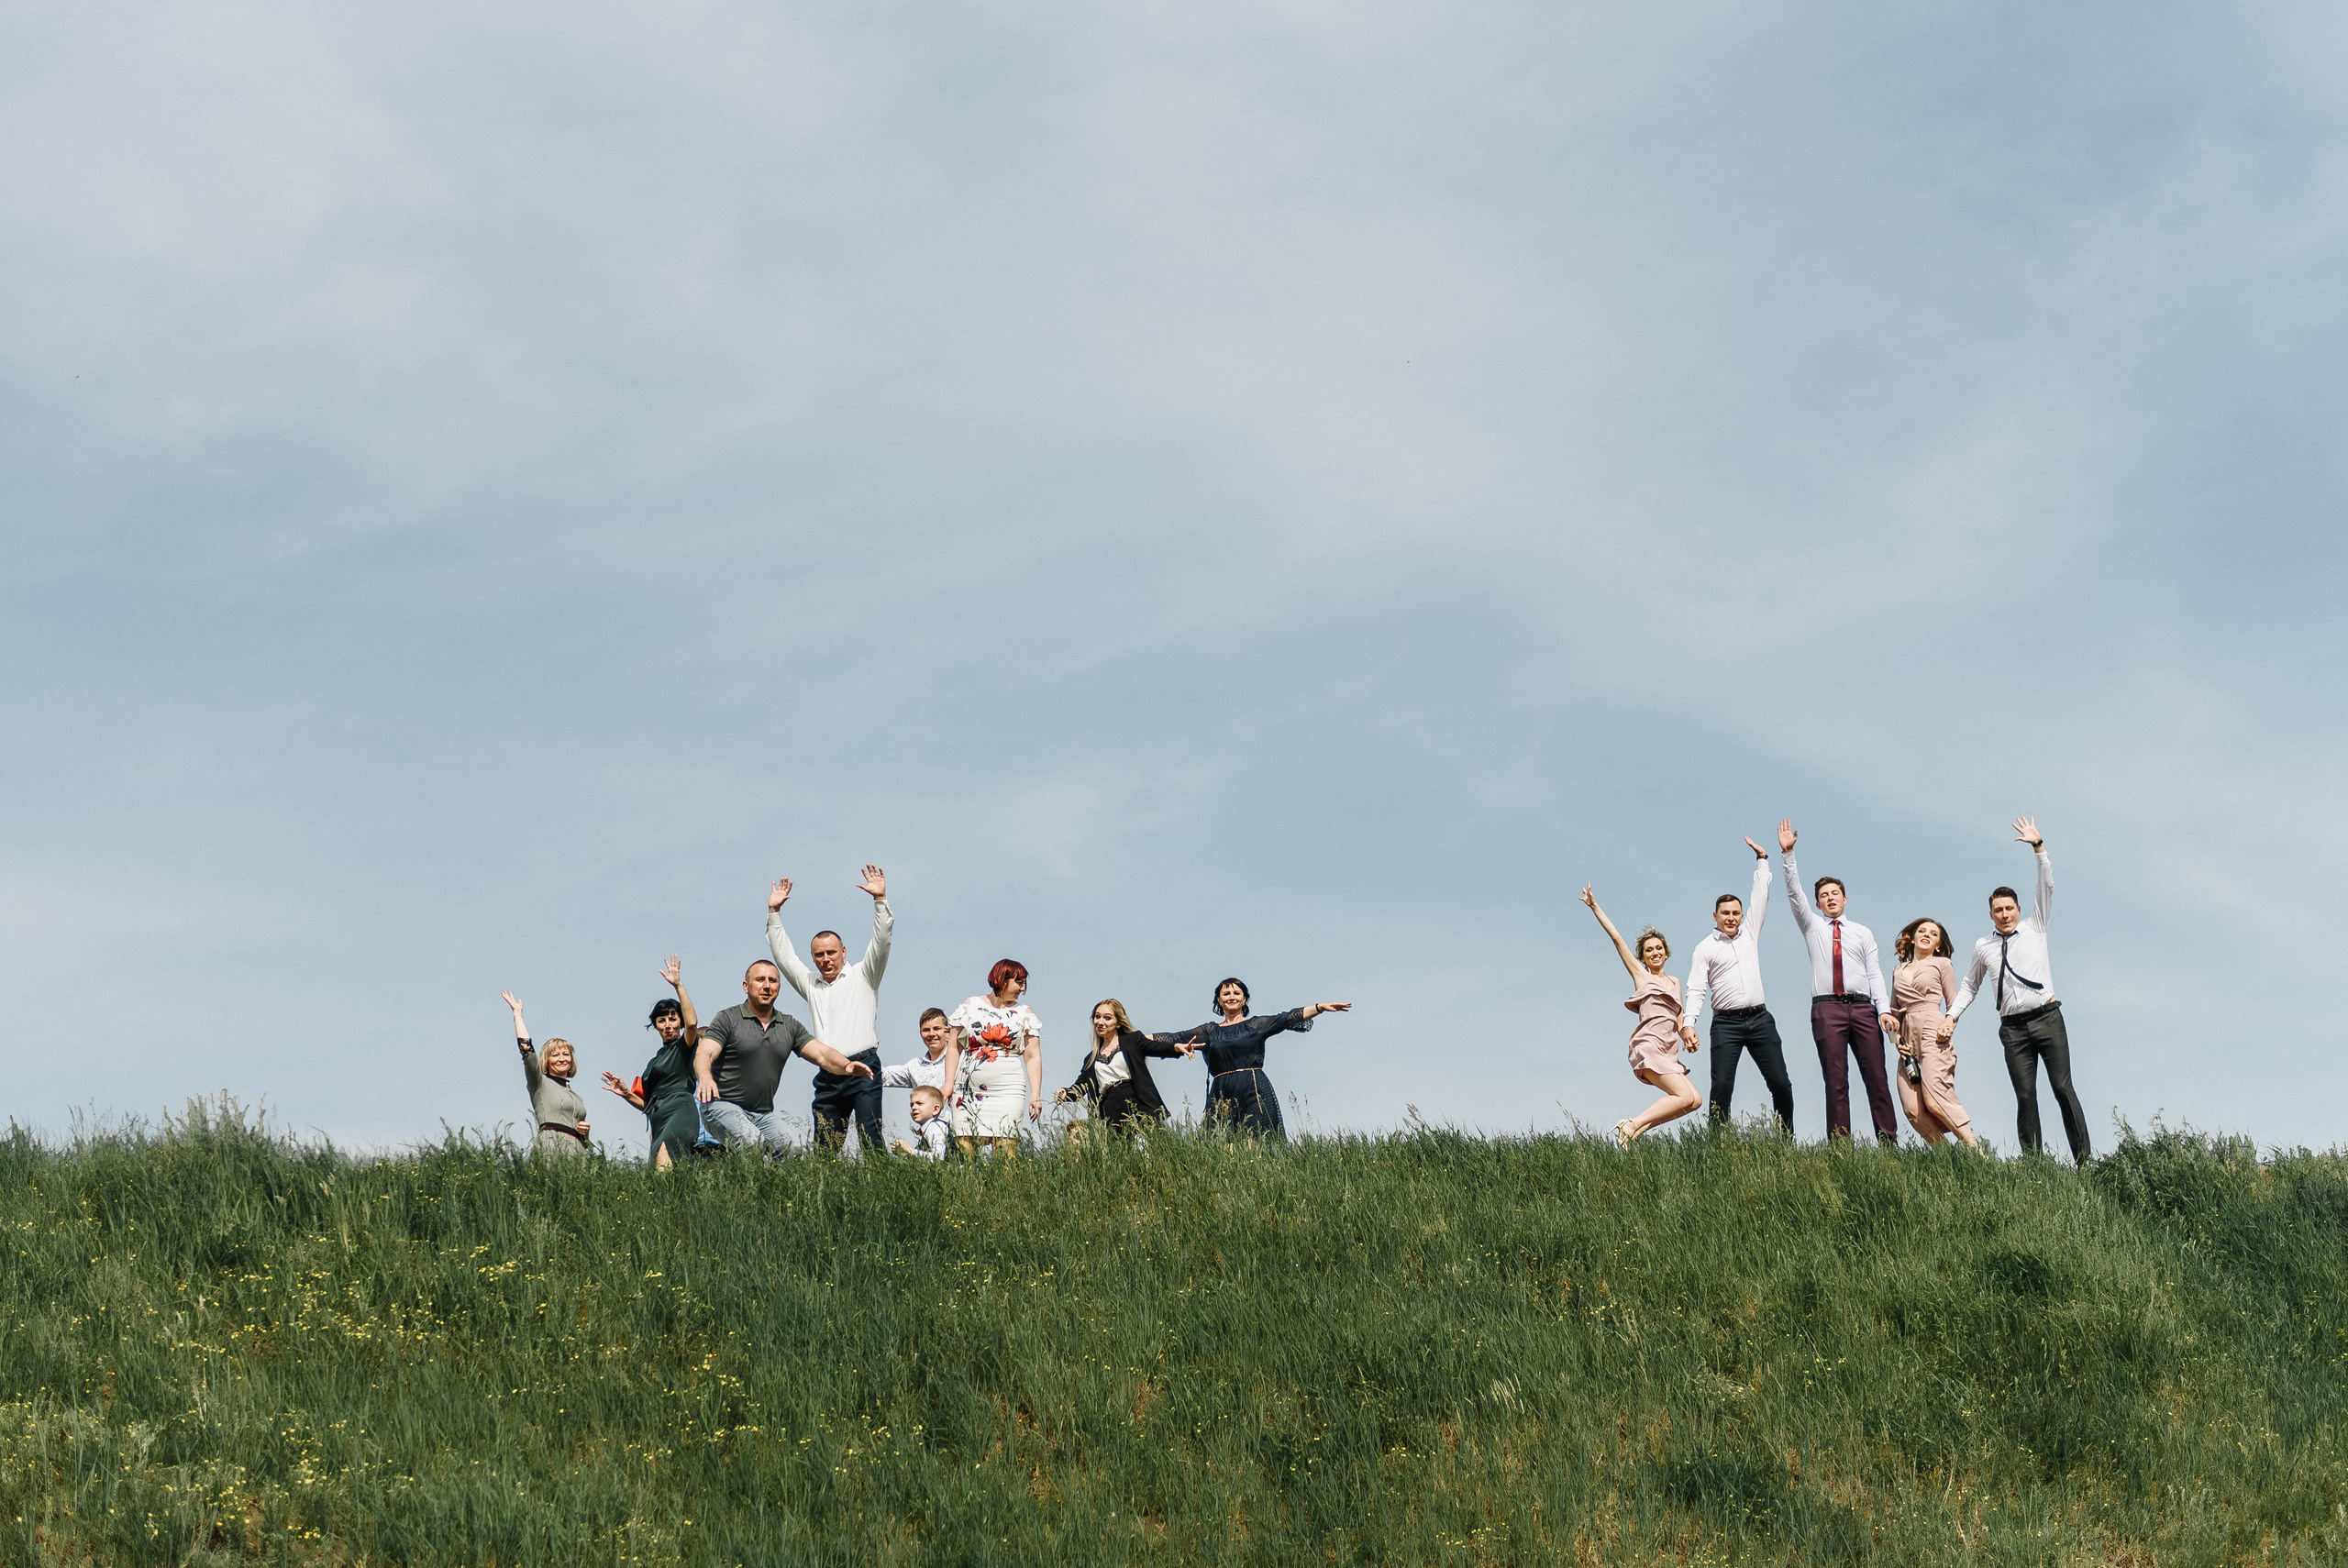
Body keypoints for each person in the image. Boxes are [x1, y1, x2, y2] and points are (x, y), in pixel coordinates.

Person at [1942, 817, 2088, 1162]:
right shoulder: (1984, 946)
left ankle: (2085, 1161)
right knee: (2025, 1096)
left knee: (2062, 1088)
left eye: (2009, 909)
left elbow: (2046, 885)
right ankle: (2035, 1167)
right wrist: (1952, 1017)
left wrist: (2039, 848)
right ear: (1991, 915)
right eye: (1998, 911)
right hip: (2013, 1029)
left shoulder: (2035, 926)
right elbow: (1968, 985)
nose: (2004, 915)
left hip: (2048, 1019)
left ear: (2019, 910)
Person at [1778, 819, 1898, 1145]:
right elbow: (1793, 894)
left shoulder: (1862, 932)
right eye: (1823, 896)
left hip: (1863, 1009)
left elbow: (1874, 973)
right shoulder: (1812, 926)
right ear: (1817, 904)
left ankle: (1889, 1144)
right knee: (1836, 1081)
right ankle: (1841, 1148)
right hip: (1827, 1009)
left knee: (1877, 1078)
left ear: (1845, 899)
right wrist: (1788, 856)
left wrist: (1884, 1010)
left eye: (1835, 894)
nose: (1830, 899)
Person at [768, 865, 892, 1158]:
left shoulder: (865, 975)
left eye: (831, 952)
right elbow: (784, 959)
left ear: (843, 952)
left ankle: (887, 1197)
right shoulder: (811, 984)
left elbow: (882, 943)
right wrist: (774, 914)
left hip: (864, 1069)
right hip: (829, 1074)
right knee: (824, 1151)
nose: (825, 959)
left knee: (871, 1140)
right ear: (813, 957)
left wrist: (880, 901)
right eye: (819, 955)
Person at [694, 959, 872, 1153]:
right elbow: (705, 1052)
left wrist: (846, 1066)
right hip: (722, 1106)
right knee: (752, 1142)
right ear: (746, 986)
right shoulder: (728, 1018)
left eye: (773, 981)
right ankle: (747, 1184)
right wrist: (705, 1077)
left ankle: (776, 1184)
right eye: (760, 980)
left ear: (779, 987)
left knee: (795, 1149)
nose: (767, 986)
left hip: (762, 1114)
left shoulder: (788, 1025)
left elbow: (822, 1054)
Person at [1681, 837, 1795, 1132]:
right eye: (1725, 913)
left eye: (1736, 913)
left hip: (1759, 1019)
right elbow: (1696, 988)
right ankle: (1718, 1145)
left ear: (1742, 916)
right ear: (1715, 916)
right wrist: (1688, 1023)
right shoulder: (1704, 948)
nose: (1731, 918)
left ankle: (1785, 1139)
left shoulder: (1750, 932)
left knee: (1781, 1082)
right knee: (1721, 1086)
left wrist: (1762, 859)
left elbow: (1761, 894)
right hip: (1725, 1025)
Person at [1580, 885, 1700, 1145]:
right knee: (1682, 1096)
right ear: (1643, 957)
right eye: (1649, 950)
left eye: (1659, 948)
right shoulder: (1641, 976)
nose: (1655, 952)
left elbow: (1678, 1017)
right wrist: (1595, 907)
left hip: (1669, 1049)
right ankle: (1631, 1124)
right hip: (1648, 1045)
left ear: (1666, 952)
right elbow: (1617, 939)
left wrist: (1687, 1034)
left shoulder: (1675, 982)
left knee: (1695, 1101)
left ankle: (1635, 1130)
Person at [1162, 979, 1351, 1140]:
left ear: (1244, 999)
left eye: (1237, 993)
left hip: (1254, 1086)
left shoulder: (1256, 1025)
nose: (1231, 997)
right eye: (1226, 993)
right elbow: (1175, 1037)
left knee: (1255, 1140)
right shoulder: (1209, 1031)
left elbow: (1287, 1018)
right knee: (1222, 1143)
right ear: (1219, 1000)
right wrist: (1134, 1038)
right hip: (1222, 1090)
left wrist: (1319, 1007)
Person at [599, 955, 707, 1169]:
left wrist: (678, 985)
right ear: (655, 1025)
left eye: (673, 1018)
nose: (668, 1025)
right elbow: (646, 1104)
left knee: (665, 1168)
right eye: (662, 1020)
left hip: (679, 1110)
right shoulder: (654, 1061)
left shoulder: (684, 1046)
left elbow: (693, 1023)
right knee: (660, 1176)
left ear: (680, 1022)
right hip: (657, 1119)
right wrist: (626, 1093)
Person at [1888, 919, 1979, 1149]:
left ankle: (1978, 1155)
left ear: (1938, 944)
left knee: (1935, 1099)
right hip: (1907, 1039)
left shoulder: (1942, 964)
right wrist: (1895, 1040)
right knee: (1912, 1109)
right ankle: (1949, 1159)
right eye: (1922, 931)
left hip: (1933, 1029)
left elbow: (1954, 1003)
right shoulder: (1898, 970)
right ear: (1913, 937)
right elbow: (1892, 1014)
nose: (1927, 935)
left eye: (1933, 933)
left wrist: (1950, 1024)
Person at [1055, 999, 1197, 1140]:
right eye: (1097, 1017)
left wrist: (1176, 1048)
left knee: (1145, 1149)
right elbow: (1081, 1087)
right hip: (1109, 1111)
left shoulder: (1132, 1040)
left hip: (1137, 1102)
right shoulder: (1091, 1059)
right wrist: (1065, 1093)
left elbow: (1155, 1047)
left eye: (1107, 1018)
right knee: (1121, 1155)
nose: (1100, 1022)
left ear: (1118, 1022)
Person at [947, 962, 1044, 1156]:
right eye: (1018, 982)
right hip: (967, 1089)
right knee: (965, 1152)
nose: (1022, 988)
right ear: (1001, 979)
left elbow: (1033, 1056)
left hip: (1009, 1090)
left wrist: (1036, 1093)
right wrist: (948, 1082)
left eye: (1024, 983)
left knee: (1006, 1152)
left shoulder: (1024, 1013)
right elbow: (952, 1047)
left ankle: (1005, 1188)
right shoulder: (970, 1006)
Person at [500, 990, 590, 1158]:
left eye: (566, 1054)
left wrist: (585, 1134)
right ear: (546, 1061)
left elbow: (584, 1139)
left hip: (579, 1153)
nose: (562, 1059)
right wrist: (517, 1015)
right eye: (555, 1055)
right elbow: (528, 1053)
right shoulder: (540, 1082)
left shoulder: (577, 1096)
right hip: (552, 1149)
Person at [880, 1008, 961, 1095]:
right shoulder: (915, 1066)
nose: (931, 1034)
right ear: (920, 1033)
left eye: (937, 1029)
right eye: (926, 1030)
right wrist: (869, 1055)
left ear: (948, 1031)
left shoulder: (961, 1060)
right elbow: (884, 1076)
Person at [892, 1086, 951, 1160]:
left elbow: (938, 1157)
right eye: (912, 1105)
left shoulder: (937, 1127)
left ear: (935, 1109)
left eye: (919, 1103)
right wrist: (904, 1154)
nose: (914, 1107)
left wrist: (911, 1151)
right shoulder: (928, 1129)